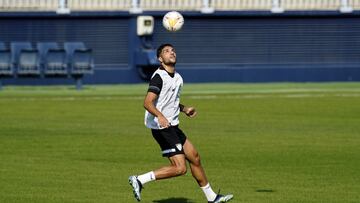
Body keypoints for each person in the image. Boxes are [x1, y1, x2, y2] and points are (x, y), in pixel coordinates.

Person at [128, 44, 233, 203]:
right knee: (180, 168)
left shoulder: (178, 78)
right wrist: (161, 116)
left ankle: (212, 198)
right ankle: (139, 179)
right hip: (161, 127)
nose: (171, 53)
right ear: (160, 59)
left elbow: (169, 102)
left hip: (173, 125)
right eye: (166, 51)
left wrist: (184, 109)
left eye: (173, 50)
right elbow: (147, 103)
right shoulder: (159, 77)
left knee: (195, 158)